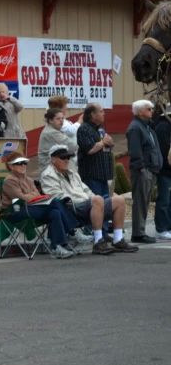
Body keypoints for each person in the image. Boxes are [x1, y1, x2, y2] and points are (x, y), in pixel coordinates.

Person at [41, 145, 136, 255]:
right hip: (70, 208)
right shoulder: (48, 175)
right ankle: (98, 242)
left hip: (87, 205)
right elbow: (57, 197)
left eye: (68, 157)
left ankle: (118, 240)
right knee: (96, 199)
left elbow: (86, 190)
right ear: (53, 160)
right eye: (63, 158)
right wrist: (90, 201)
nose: (67, 160)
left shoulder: (73, 174)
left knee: (119, 200)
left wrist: (94, 200)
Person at [0, 151, 79, 258]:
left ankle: (57, 247)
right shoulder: (9, 181)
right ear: (10, 166)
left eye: (24, 163)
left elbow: (36, 196)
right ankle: (73, 232)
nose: (23, 165)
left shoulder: (28, 179)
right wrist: (31, 195)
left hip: (30, 208)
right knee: (55, 202)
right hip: (14, 212)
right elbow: (22, 198)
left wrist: (30, 195)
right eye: (19, 163)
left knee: (54, 212)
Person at [126, 100, 163, 244]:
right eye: (149, 109)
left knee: (145, 202)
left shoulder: (147, 127)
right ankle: (138, 234)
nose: (152, 111)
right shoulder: (135, 128)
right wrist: (141, 169)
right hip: (143, 171)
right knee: (140, 202)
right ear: (140, 112)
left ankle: (140, 231)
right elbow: (135, 151)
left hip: (151, 170)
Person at [76, 103, 115, 198]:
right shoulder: (84, 129)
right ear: (93, 114)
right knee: (96, 204)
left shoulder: (100, 128)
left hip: (103, 174)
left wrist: (110, 143)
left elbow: (108, 145)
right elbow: (89, 149)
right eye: (101, 111)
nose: (104, 114)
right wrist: (103, 142)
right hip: (92, 176)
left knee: (106, 205)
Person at [38, 108, 78, 174]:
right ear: (50, 120)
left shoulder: (53, 130)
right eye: (58, 119)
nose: (61, 121)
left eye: (62, 118)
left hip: (55, 169)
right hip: (51, 172)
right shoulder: (51, 133)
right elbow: (72, 146)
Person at [153, 104, 171, 240]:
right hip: (165, 170)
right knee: (164, 200)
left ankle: (167, 226)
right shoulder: (163, 127)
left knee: (168, 200)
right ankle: (162, 228)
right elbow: (163, 150)